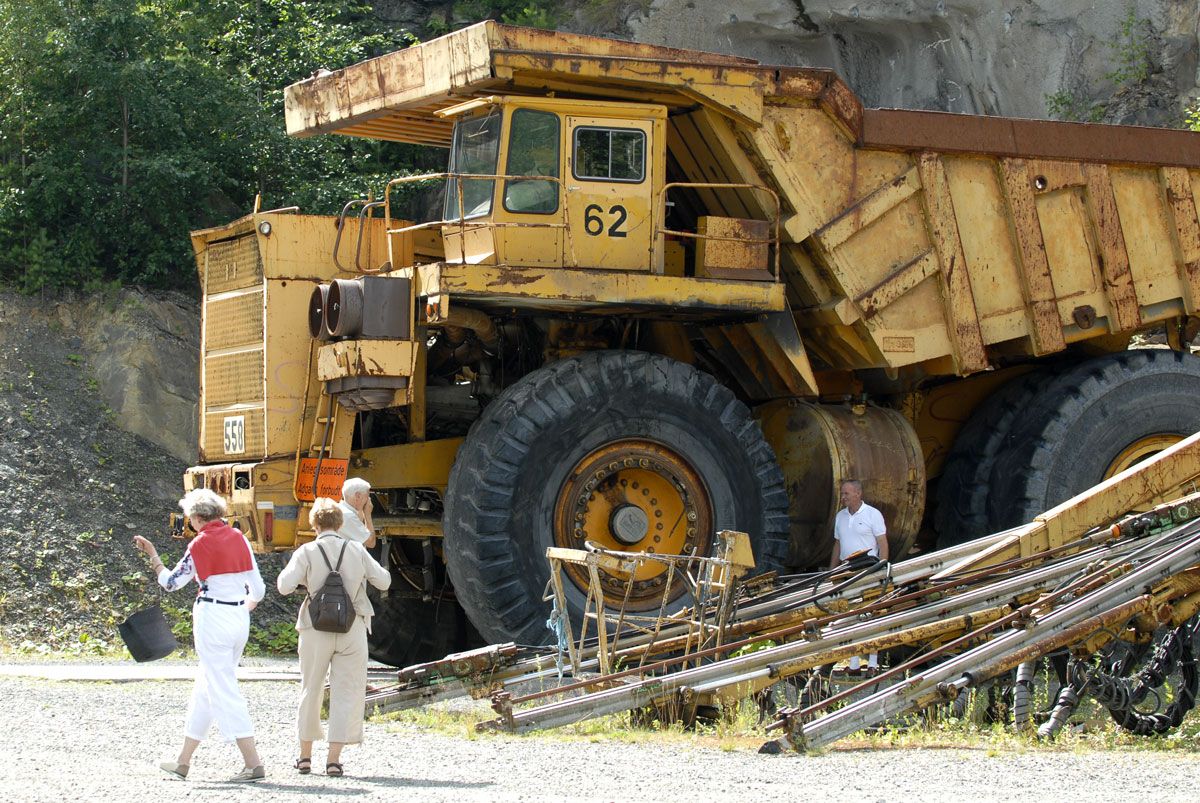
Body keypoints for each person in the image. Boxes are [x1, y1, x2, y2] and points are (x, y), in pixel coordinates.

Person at [132, 488, 267, 783]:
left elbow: (170, 583)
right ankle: (183, 761)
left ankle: (253, 762)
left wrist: (153, 555)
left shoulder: (199, 545)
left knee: (221, 687)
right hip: (238, 618)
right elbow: (258, 590)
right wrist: (244, 606)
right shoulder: (240, 538)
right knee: (207, 685)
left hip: (212, 618)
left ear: (195, 517)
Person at [276, 497, 391, 777]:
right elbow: (384, 581)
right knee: (347, 692)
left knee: (311, 689)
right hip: (352, 627)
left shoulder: (306, 551)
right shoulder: (355, 549)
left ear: (313, 523)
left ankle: (304, 757)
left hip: (315, 628)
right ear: (340, 523)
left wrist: (308, 580)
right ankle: (334, 760)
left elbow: (283, 586)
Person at [828, 479, 888, 675]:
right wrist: (832, 571)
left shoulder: (873, 514)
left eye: (846, 493)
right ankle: (854, 665)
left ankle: (872, 663)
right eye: (842, 493)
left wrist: (882, 567)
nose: (843, 497)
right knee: (851, 615)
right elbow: (837, 545)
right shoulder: (840, 516)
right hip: (847, 570)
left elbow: (882, 542)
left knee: (869, 614)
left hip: (868, 569)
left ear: (858, 494)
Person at [337, 477, 376, 549]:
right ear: (358, 496)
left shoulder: (341, 510)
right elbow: (371, 543)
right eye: (367, 496)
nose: (368, 500)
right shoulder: (349, 516)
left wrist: (361, 509)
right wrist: (368, 515)